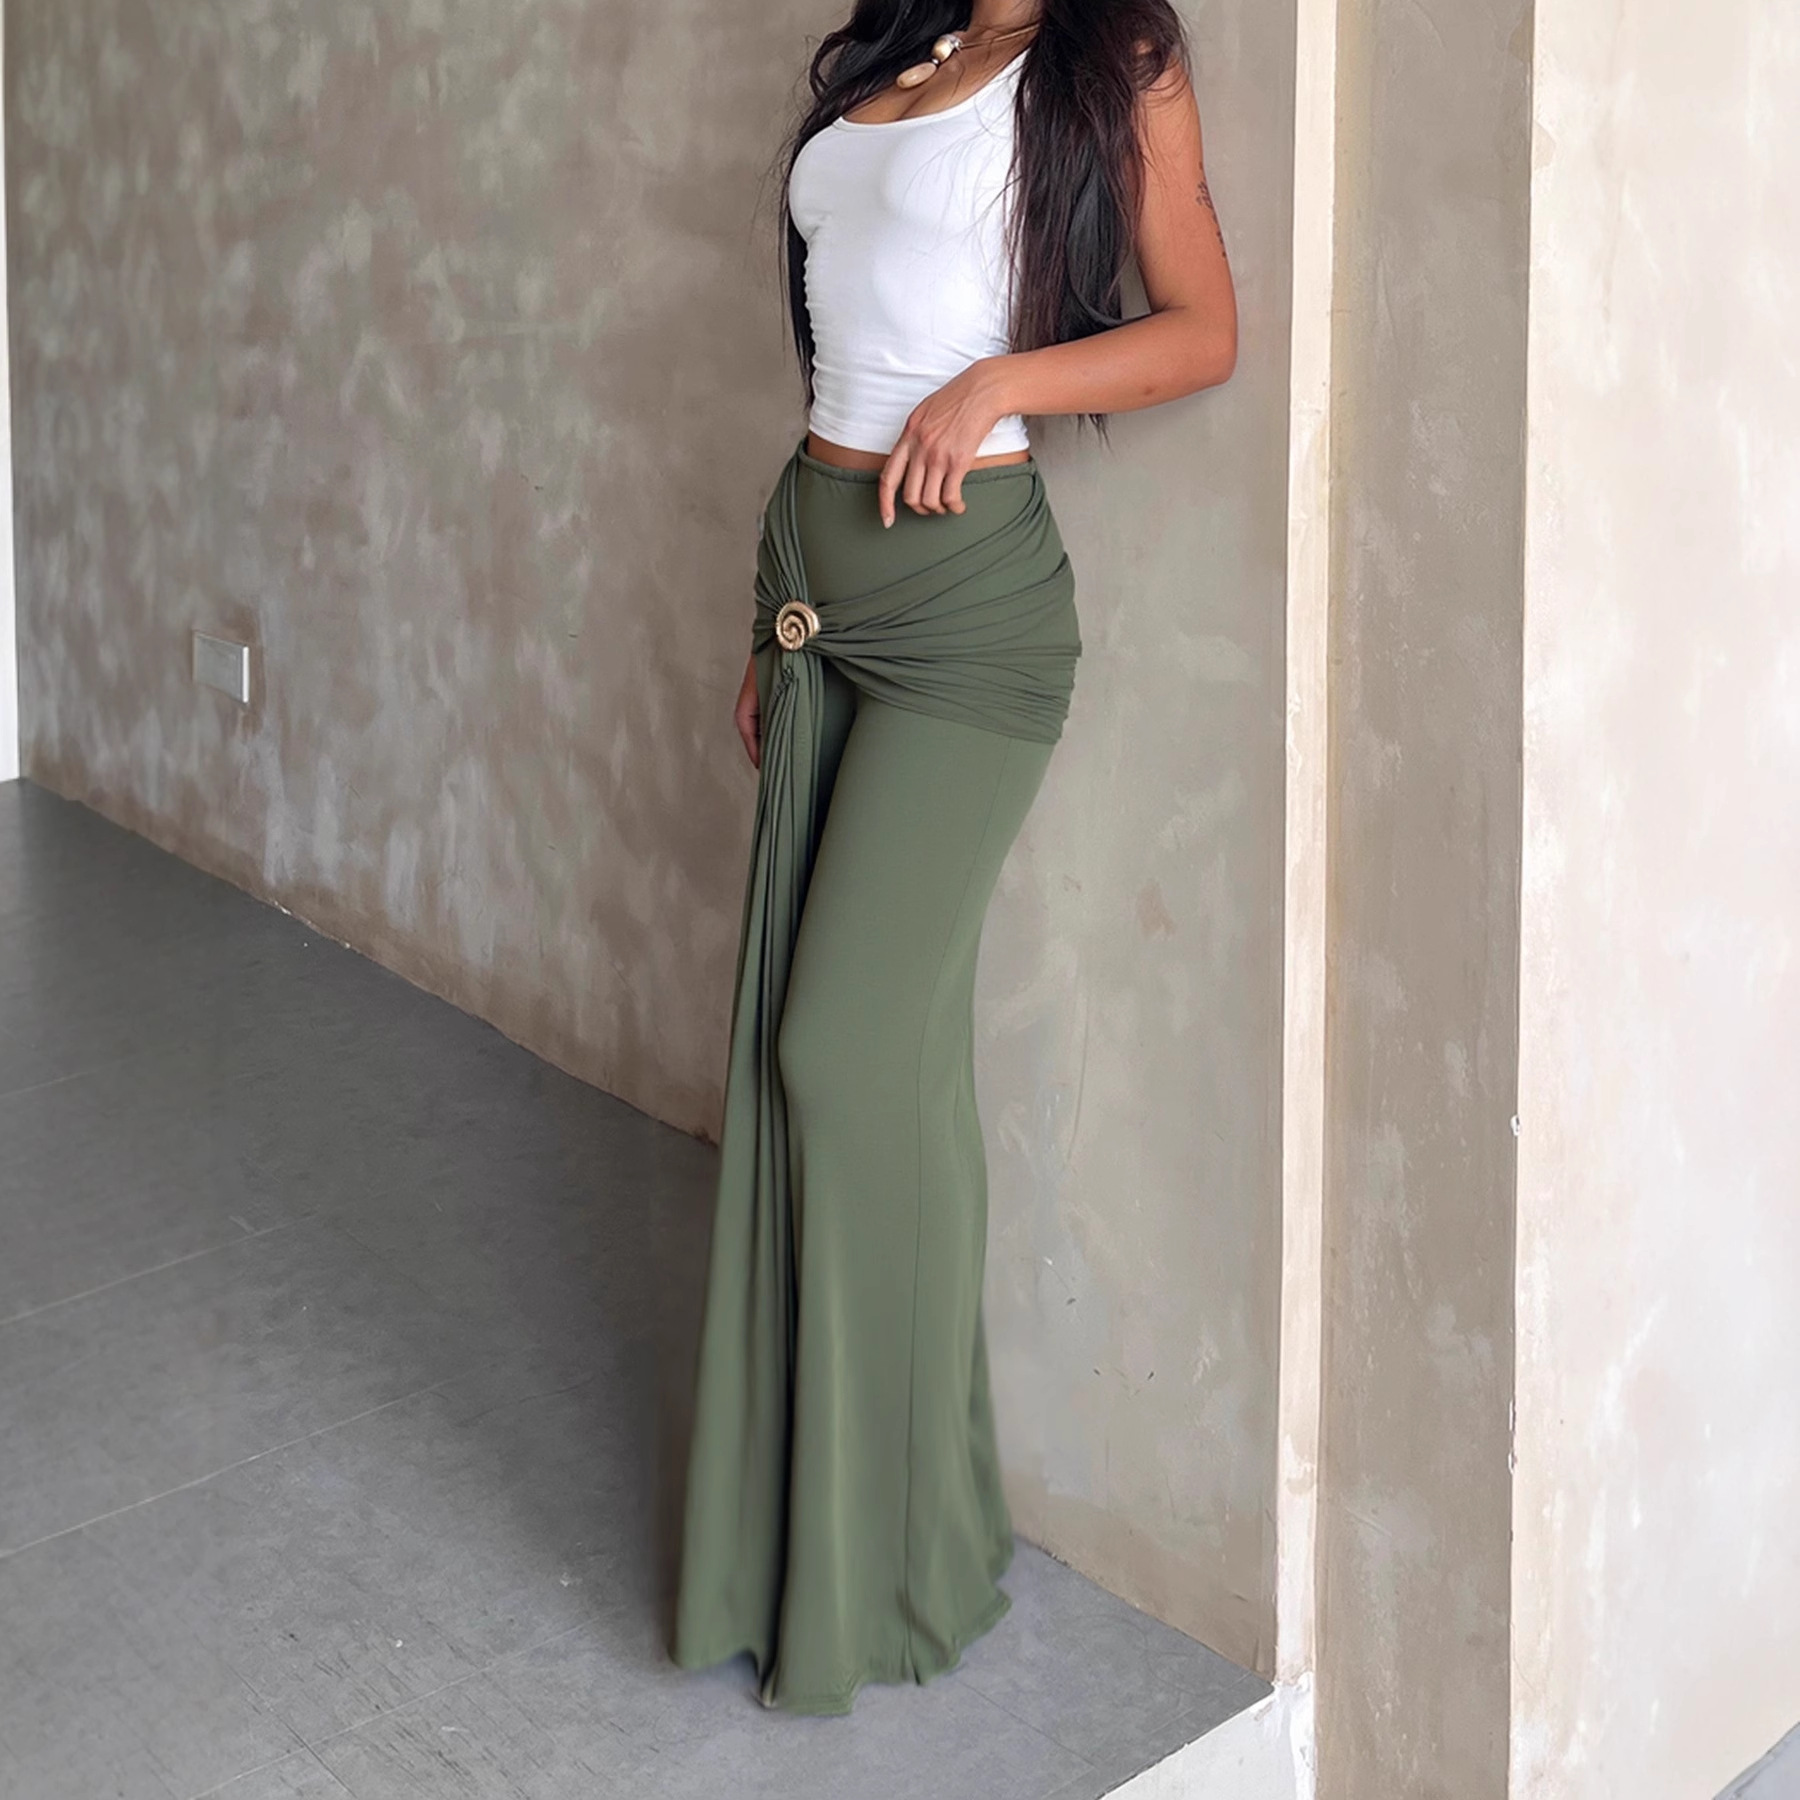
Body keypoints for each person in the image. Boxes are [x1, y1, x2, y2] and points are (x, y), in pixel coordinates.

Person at [671, 0, 1237, 1716]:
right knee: (887, 1068)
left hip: (968, 607)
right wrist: (771, 611)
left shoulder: (1113, 60)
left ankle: (888, 1537)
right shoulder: (889, 62)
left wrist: (1002, 379)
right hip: (815, 578)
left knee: (836, 1052)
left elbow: (1204, 330)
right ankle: (873, 1539)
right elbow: (841, 354)